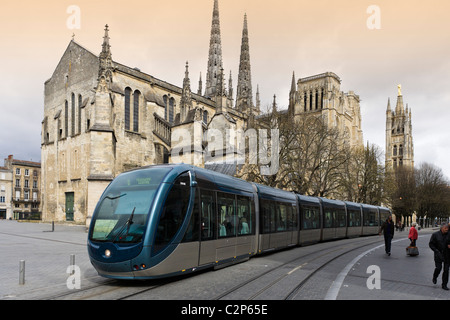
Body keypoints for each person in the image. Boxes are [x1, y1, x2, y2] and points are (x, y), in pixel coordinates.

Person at [429, 223, 450, 290]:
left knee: (446, 270)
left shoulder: (449, 234)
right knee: (438, 268)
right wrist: (436, 251)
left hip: (447, 254)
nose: (446, 229)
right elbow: (431, 244)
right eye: (445, 228)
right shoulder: (435, 235)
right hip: (438, 254)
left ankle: (444, 284)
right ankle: (435, 277)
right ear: (441, 228)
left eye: (447, 228)